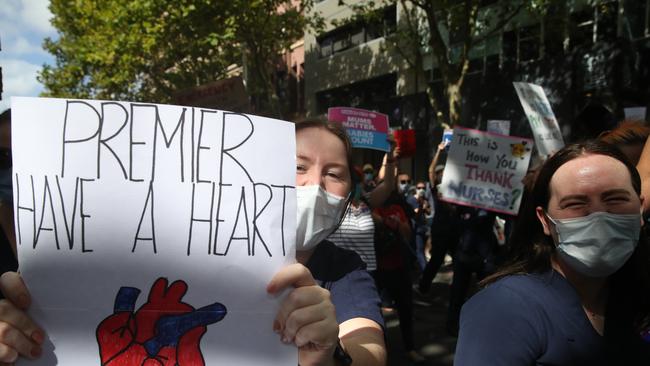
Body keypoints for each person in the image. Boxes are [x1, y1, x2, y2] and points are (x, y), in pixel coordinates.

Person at [0, 119, 387, 366]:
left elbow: (369, 353)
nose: (313, 185)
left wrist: (330, 354)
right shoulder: (182, 247)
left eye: (333, 174)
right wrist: (29, 327)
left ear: (351, 194)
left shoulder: (343, 270)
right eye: (298, 167)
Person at [455, 141, 650, 365]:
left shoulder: (635, 293)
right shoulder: (503, 308)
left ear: (640, 208)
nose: (599, 216)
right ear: (544, 220)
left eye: (615, 199)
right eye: (575, 203)